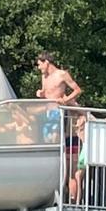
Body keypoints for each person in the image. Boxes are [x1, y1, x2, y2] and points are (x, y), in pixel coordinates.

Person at [35, 52, 84, 202]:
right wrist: (41, 93)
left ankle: (66, 194)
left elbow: (77, 90)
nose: (39, 68)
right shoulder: (44, 77)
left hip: (58, 113)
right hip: (47, 114)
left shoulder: (61, 74)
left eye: (39, 64)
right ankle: (50, 189)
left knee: (57, 148)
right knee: (48, 148)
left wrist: (66, 100)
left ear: (46, 62)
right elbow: (45, 93)